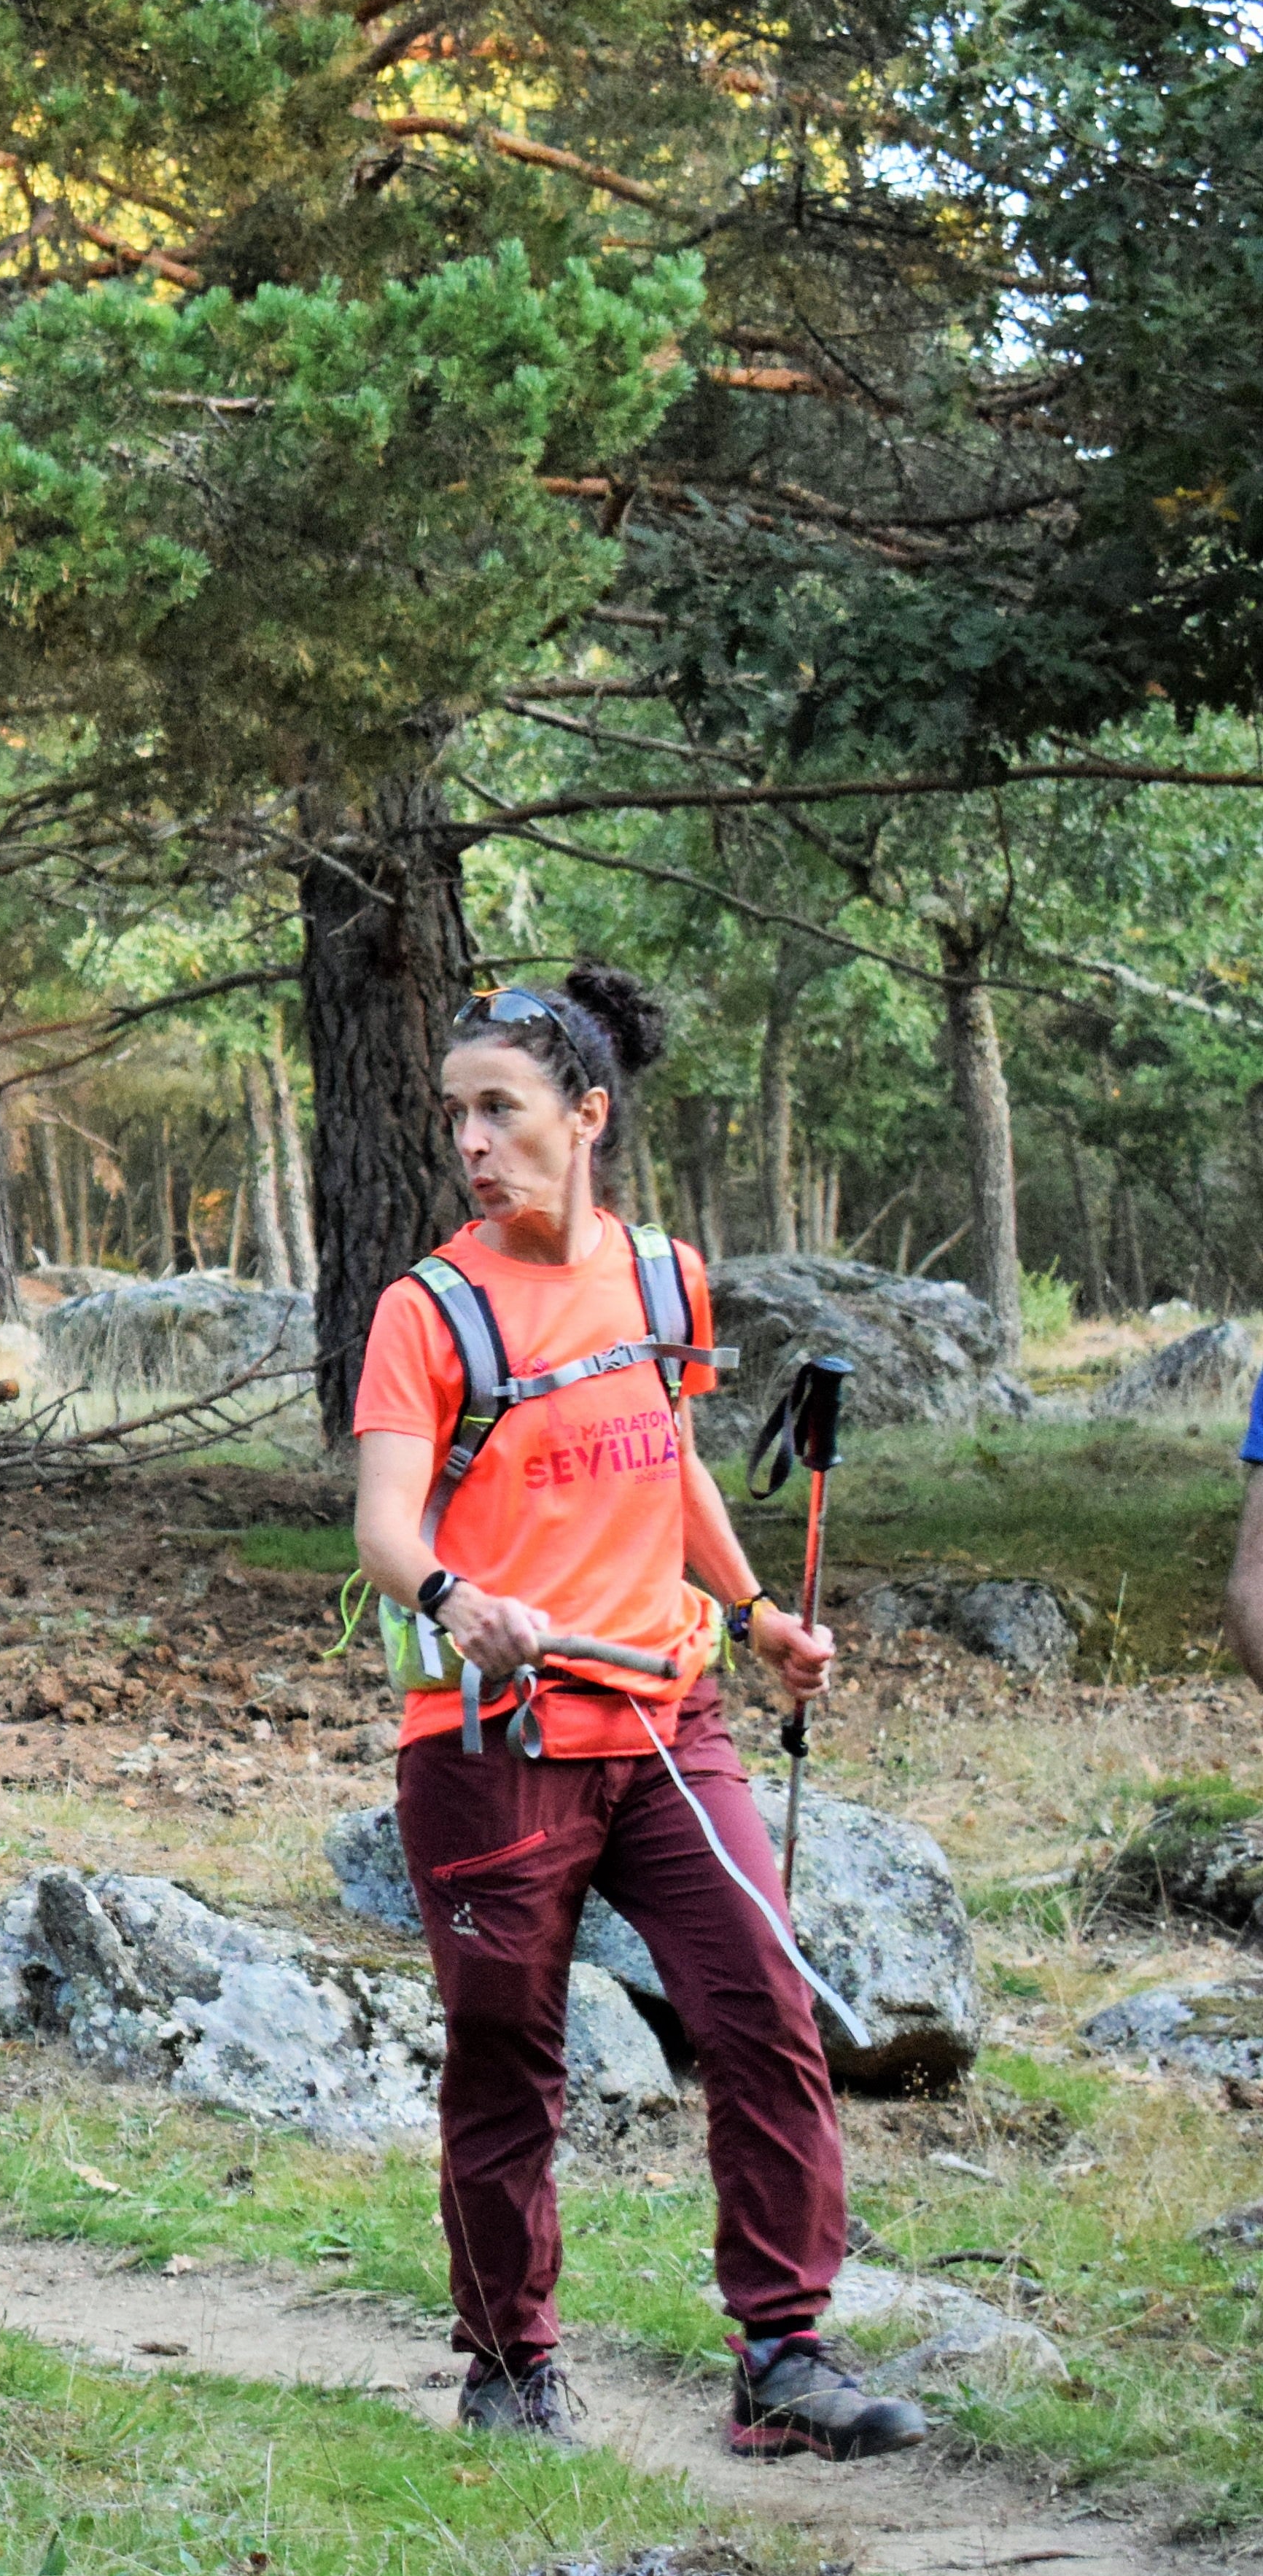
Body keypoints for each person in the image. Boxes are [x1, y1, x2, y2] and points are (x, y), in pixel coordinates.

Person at [349, 968, 922, 2461]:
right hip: (495, 1747)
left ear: (586, 1116)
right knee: (507, 2060)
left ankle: (786, 2353)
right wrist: (453, 1596)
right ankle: (509, 2366)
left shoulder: (668, 1277)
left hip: (672, 1721)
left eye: (503, 1110)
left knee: (765, 2011)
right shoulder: (430, 1307)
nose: (473, 1142)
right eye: (456, 1114)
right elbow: (386, 1525)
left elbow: (666, 1463)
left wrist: (753, 1612)